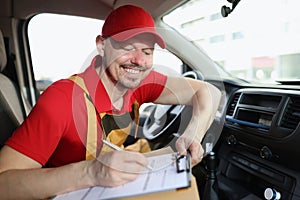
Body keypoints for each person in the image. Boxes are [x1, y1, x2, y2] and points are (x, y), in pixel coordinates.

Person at [0, 4, 221, 199]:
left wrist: (192, 133)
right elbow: (3, 184)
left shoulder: (139, 82)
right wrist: (90, 172)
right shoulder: (62, 99)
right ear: (102, 45)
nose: (139, 61)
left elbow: (209, 92)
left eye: (147, 51)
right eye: (127, 47)